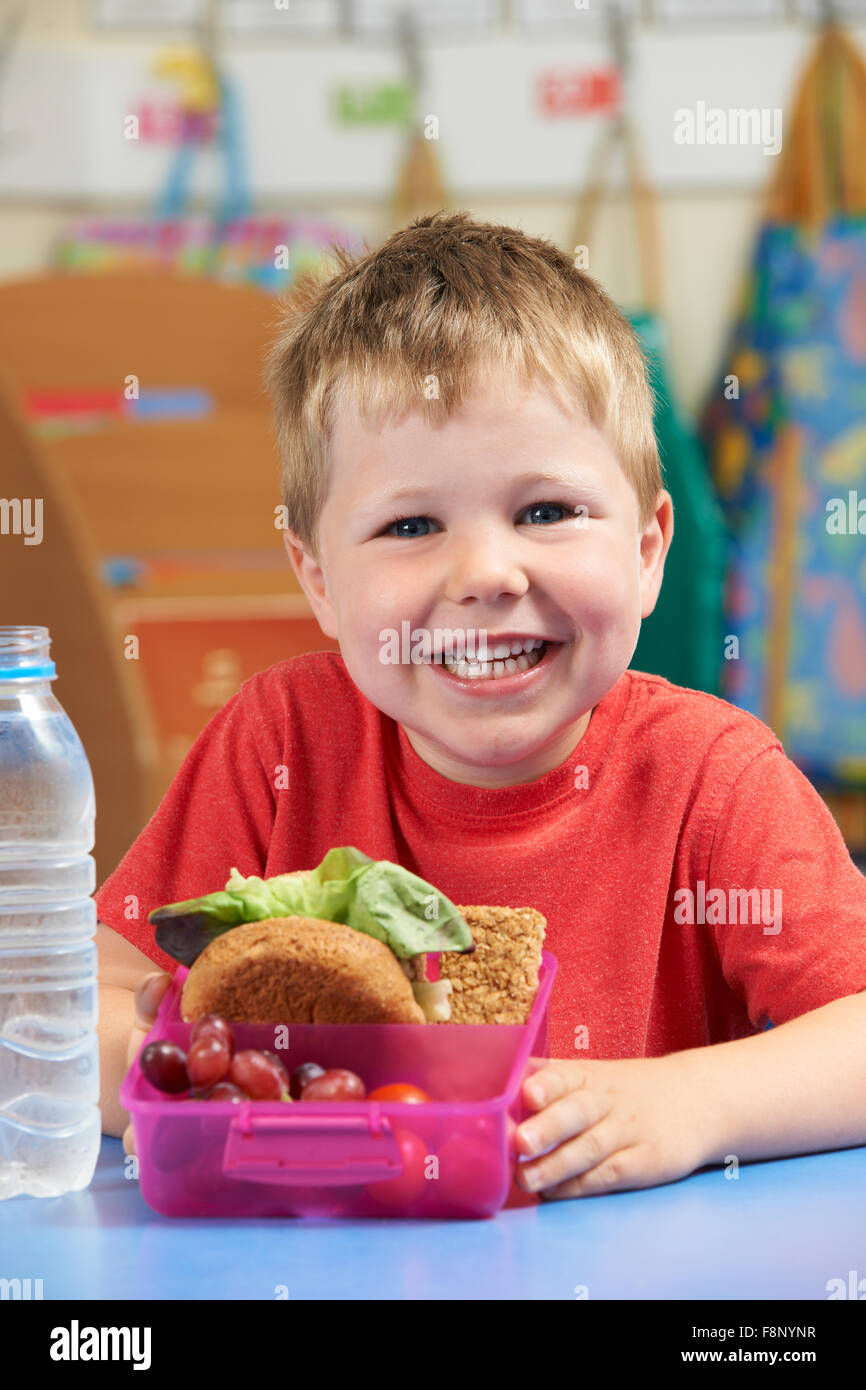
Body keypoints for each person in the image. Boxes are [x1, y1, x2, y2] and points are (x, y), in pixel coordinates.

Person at [96, 211, 866, 1199]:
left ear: (644, 551)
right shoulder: (277, 740)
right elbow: (85, 1004)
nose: (484, 573)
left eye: (545, 511)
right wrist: (189, 1076)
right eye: (410, 524)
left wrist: (690, 1105)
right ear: (318, 577)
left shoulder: (711, 776)